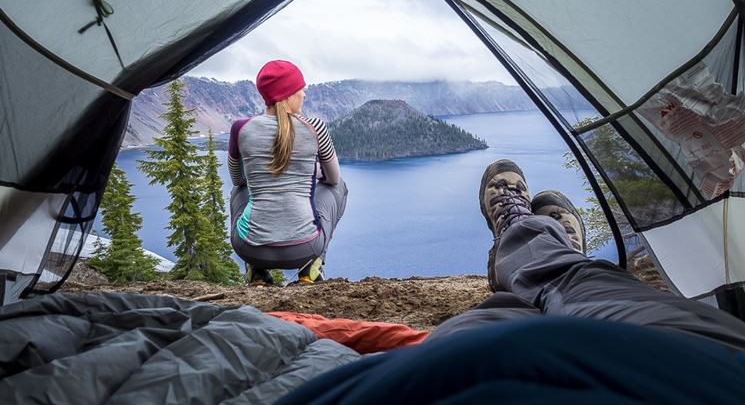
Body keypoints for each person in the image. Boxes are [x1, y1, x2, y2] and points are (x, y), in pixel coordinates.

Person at [277, 159, 745, 404]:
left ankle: (517, 250)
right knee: (587, 286)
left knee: (480, 327)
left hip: (443, 383)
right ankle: (544, 245)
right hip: (701, 374)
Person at [228, 60, 347, 285]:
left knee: (238, 191)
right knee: (339, 187)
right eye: (301, 89)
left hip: (250, 248)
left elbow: (238, 179)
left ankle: (257, 272)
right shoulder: (315, 127)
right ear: (289, 94)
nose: (304, 95)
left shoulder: (240, 128)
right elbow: (333, 179)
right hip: (305, 248)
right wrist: (313, 175)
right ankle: (312, 268)